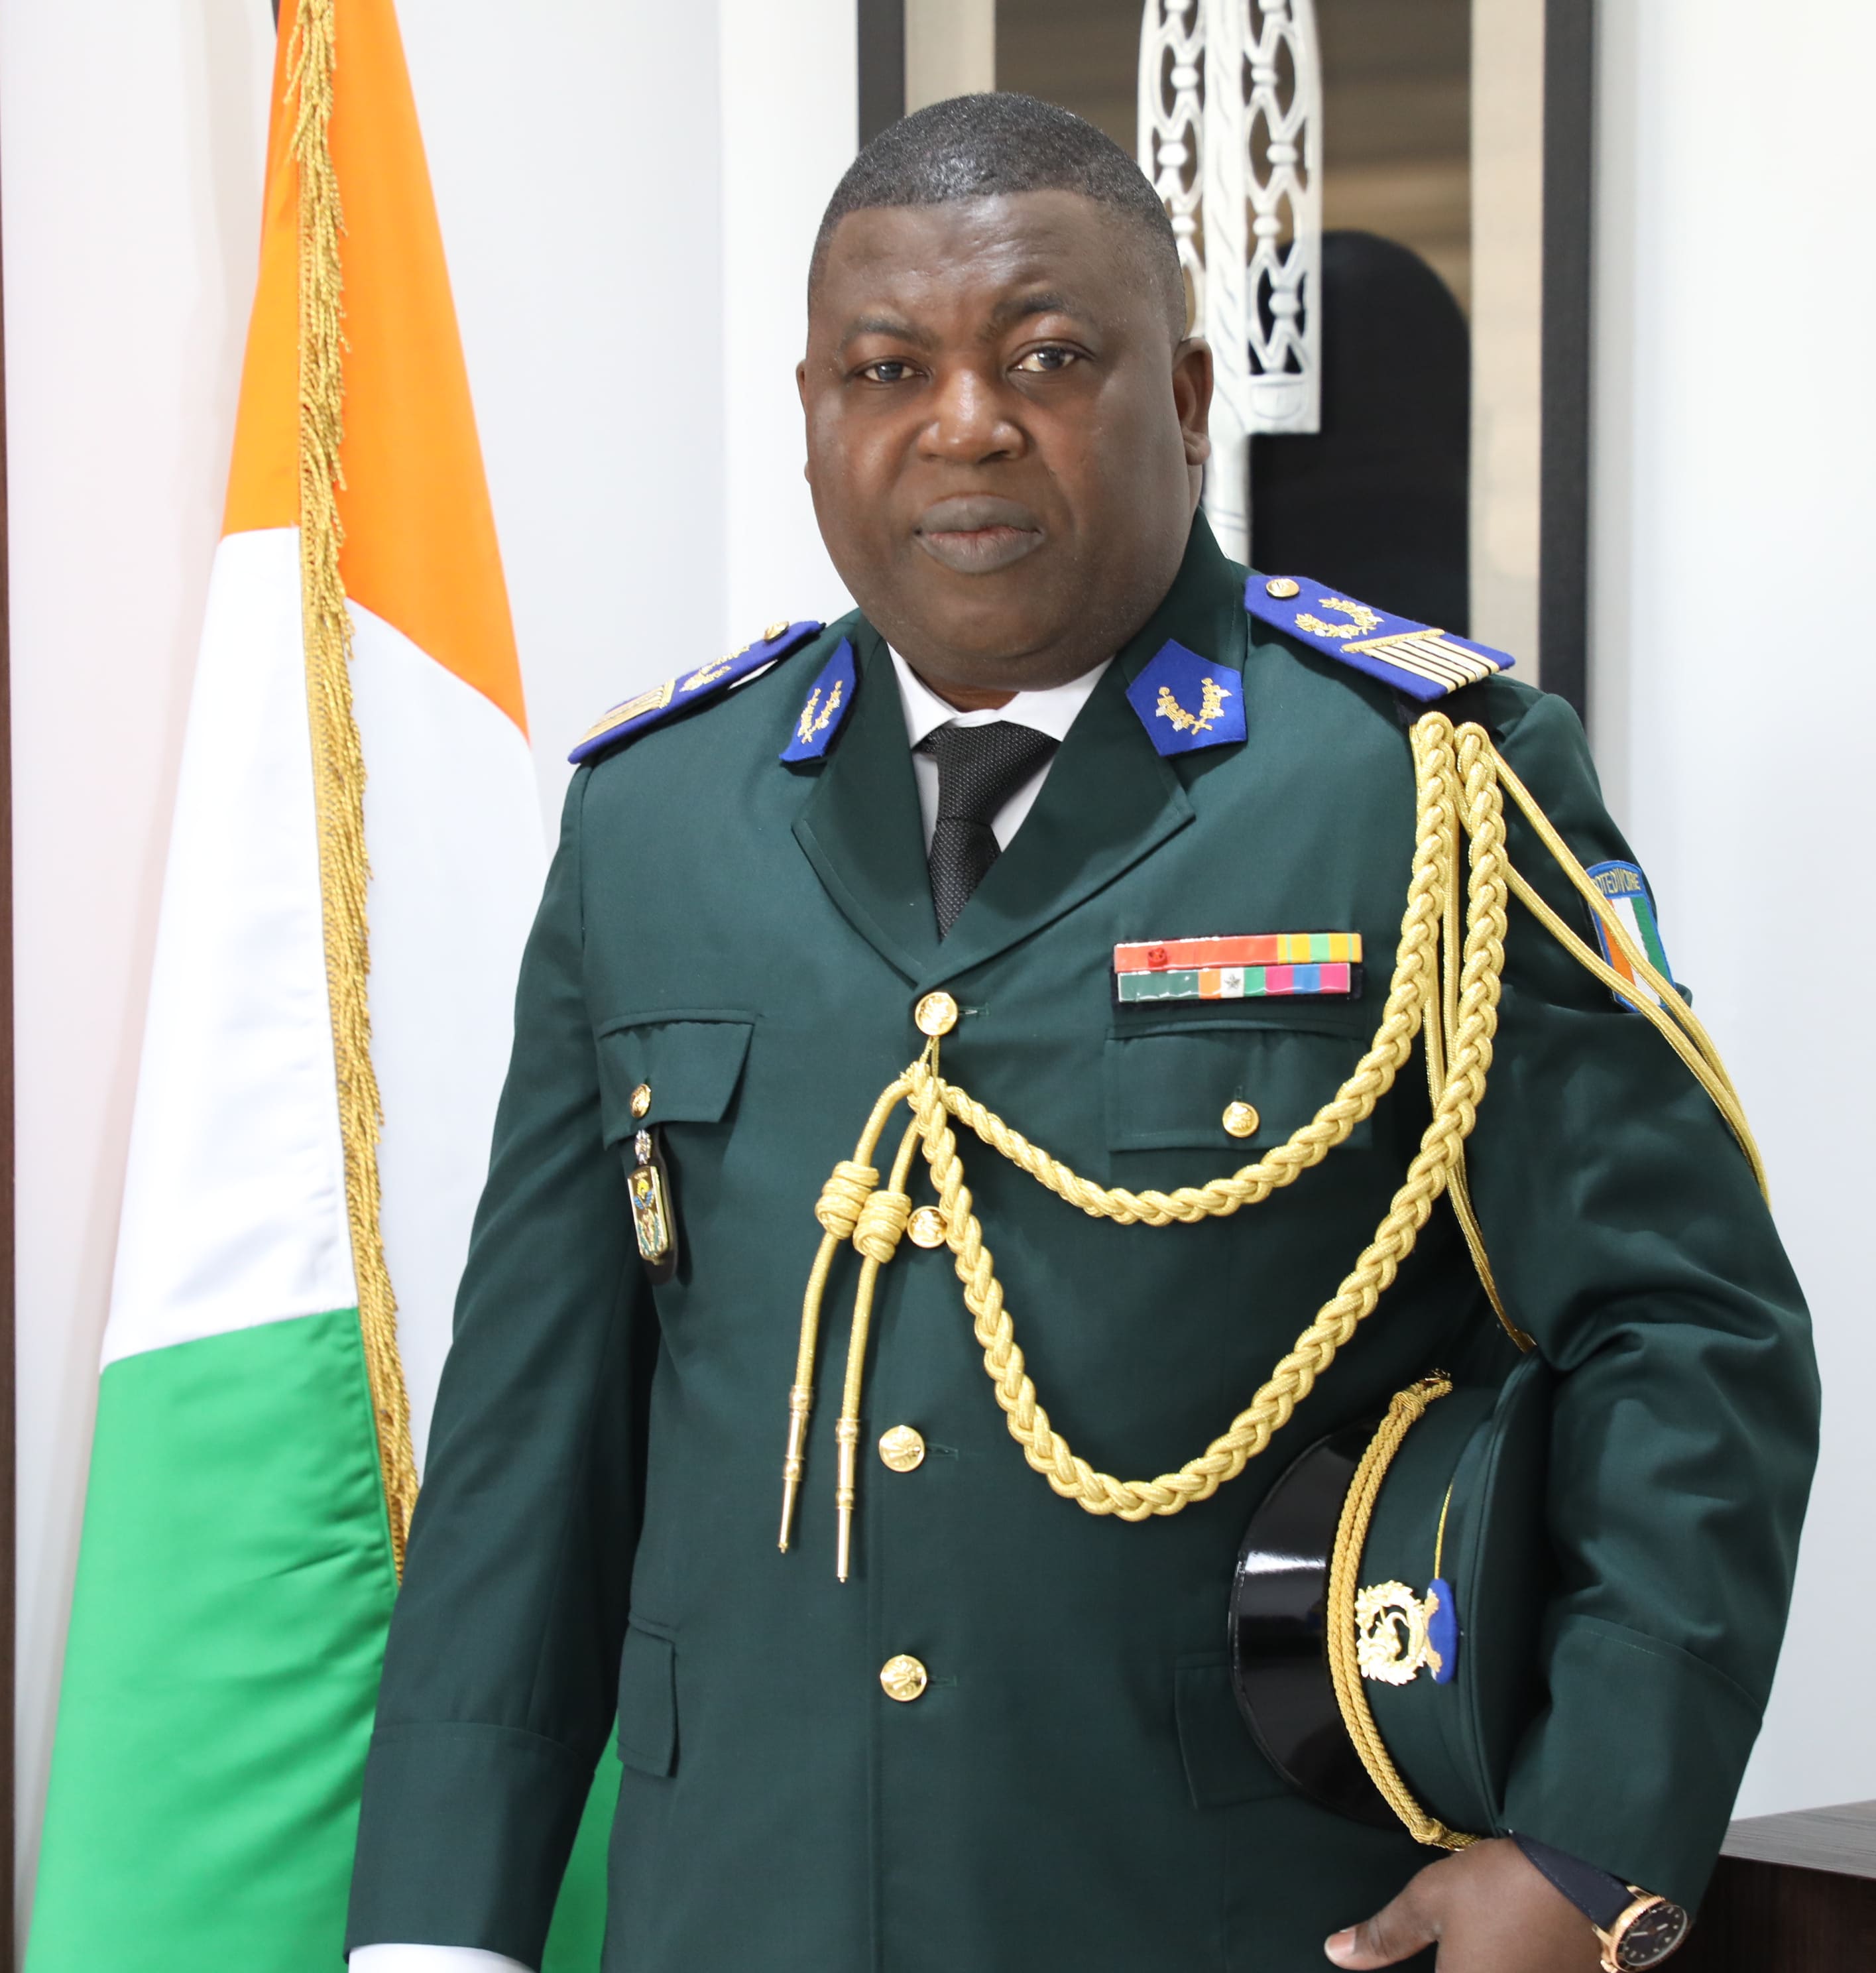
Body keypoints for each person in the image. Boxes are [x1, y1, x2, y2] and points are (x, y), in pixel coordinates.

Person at [345, 94, 1817, 1973]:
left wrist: (1592, 1850)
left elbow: (1688, 1333)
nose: (965, 422)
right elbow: (531, 1440)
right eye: (889, 368)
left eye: (1045, 357)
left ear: (1186, 399)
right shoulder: (656, 820)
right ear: (813, 410)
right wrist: (438, 1935)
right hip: (743, 1914)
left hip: (1237, 1919)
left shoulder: (1421, 786)